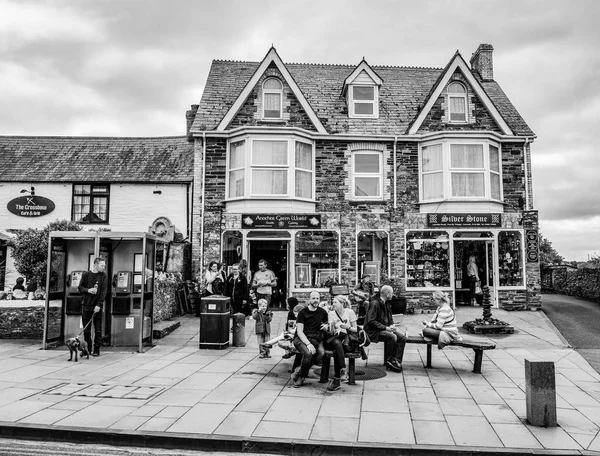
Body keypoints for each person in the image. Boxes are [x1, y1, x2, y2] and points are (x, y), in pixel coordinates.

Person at [291, 290, 329, 388]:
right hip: (301, 338)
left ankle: (299, 370)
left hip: (316, 338)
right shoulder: (302, 313)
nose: (316, 300)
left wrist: (326, 327)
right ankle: (302, 377)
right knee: (308, 353)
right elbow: (299, 331)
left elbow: (326, 325)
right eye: (313, 298)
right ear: (309, 300)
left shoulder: (323, 312)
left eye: (317, 298)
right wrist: (308, 344)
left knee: (321, 353)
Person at [365, 285, 406, 373]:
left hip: (383, 329)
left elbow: (390, 318)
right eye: (391, 293)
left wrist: (392, 325)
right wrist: (386, 328)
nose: (393, 294)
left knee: (402, 337)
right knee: (392, 336)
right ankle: (390, 360)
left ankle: (396, 360)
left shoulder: (386, 303)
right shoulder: (375, 303)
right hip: (373, 331)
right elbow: (371, 321)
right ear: (387, 294)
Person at [325, 295, 358, 389]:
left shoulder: (350, 312)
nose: (333, 304)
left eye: (335, 302)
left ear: (342, 303)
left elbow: (356, 330)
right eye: (333, 302)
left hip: (347, 339)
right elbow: (331, 333)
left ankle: (337, 380)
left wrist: (347, 327)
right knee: (336, 343)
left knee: (336, 350)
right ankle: (342, 369)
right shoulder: (331, 313)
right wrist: (331, 327)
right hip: (335, 338)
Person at [78, 256, 107, 357]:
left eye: (104, 265)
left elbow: (103, 291)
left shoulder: (103, 275)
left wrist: (99, 304)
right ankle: (87, 348)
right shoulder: (86, 275)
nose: (104, 267)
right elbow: (80, 287)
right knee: (87, 330)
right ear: (95, 265)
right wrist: (88, 290)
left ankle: (96, 349)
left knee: (98, 329)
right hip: (86, 305)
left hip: (97, 306)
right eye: (102, 265)